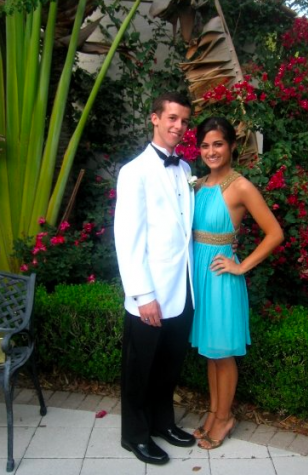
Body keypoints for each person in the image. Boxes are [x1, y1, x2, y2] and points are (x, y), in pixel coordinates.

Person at [190, 117, 284, 450]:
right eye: (204, 145)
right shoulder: (199, 185)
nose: (211, 151)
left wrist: (241, 265)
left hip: (220, 277)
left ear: (231, 146)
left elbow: (275, 233)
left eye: (218, 144)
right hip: (199, 278)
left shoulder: (240, 185)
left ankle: (225, 417)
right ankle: (214, 413)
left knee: (222, 353)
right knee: (210, 353)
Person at [114, 92, 196, 466]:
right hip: (150, 295)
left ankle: (163, 422)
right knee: (139, 369)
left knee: (169, 366)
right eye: (173, 118)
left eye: (184, 121)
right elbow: (127, 239)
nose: (179, 126)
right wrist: (143, 294)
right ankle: (134, 434)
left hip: (183, 291)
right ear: (155, 119)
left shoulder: (183, 170)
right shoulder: (134, 171)